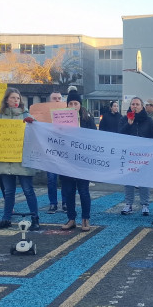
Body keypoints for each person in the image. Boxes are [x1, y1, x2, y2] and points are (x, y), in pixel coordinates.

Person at [0, 87, 40, 231]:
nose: (16, 100)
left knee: (28, 190)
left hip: (22, 159)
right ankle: (6, 219)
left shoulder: (26, 115)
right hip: (5, 160)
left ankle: (35, 218)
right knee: (8, 191)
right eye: (13, 98)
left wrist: (33, 124)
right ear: (6, 100)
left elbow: (37, 133)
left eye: (18, 98)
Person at [59, 89, 95, 231]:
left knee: (84, 191)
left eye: (76, 103)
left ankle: (85, 219)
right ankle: (71, 218)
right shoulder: (60, 119)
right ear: (67, 105)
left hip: (83, 161)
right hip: (66, 161)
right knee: (68, 192)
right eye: (71, 103)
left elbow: (94, 138)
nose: (73, 105)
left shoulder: (87, 119)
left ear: (80, 104)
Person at [118, 97, 153, 215]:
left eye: (137, 104)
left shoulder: (148, 121)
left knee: (144, 180)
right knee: (129, 179)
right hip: (129, 154)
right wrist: (129, 124)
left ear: (142, 106)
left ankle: (145, 205)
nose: (135, 106)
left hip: (144, 156)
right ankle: (128, 204)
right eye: (133, 104)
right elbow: (120, 135)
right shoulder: (125, 119)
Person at [46, 90, 64, 213]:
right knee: (51, 180)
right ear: (49, 101)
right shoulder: (44, 115)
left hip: (63, 152)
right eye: (54, 98)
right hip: (49, 152)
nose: (57, 100)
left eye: (59, 98)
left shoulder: (67, 114)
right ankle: (53, 203)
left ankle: (65, 203)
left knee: (64, 180)